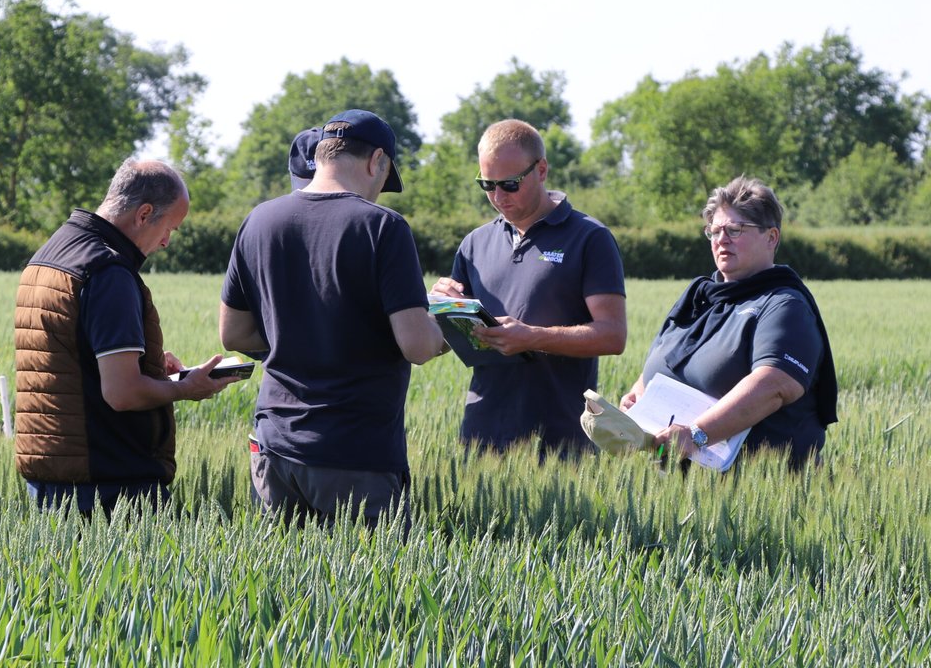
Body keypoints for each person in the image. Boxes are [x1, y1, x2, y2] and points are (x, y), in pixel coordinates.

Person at [219, 109, 444, 530]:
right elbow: (417, 345)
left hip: (275, 447)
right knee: (374, 592)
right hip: (357, 455)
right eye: (384, 178)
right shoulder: (383, 227)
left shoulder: (259, 221)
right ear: (377, 161)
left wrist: (301, 335)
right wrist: (446, 328)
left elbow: (233, 333)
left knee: (285, 588)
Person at [14, 159, 241, 518]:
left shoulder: (53, 251)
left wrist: (147, 363)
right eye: (170, 228)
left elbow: (71, 358)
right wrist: (186, 388)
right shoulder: (107, 272)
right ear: (144, 213)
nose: (166, 241)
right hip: (107, 488)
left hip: (52, 477)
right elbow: (122, 393)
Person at [430, 119, 627, 458]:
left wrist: (531, 337)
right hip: (482, 432)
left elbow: (613, 335)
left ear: (542, 170)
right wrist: (441, 308)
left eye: (509, 184)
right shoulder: (474, 244)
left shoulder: (589, 238)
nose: (497, 196)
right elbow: (444, 344)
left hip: (561, 438)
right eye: (487, 184)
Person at [620, 176, 837, 469]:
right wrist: (637, 400)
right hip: (678, 488)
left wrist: (696, 435)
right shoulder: (699, 297)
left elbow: (774, 384)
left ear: (771, 237)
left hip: (755, 492)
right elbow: (662, 362)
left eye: (735, 230)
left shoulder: (784, 305)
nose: (722, 239)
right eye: (715, 231)